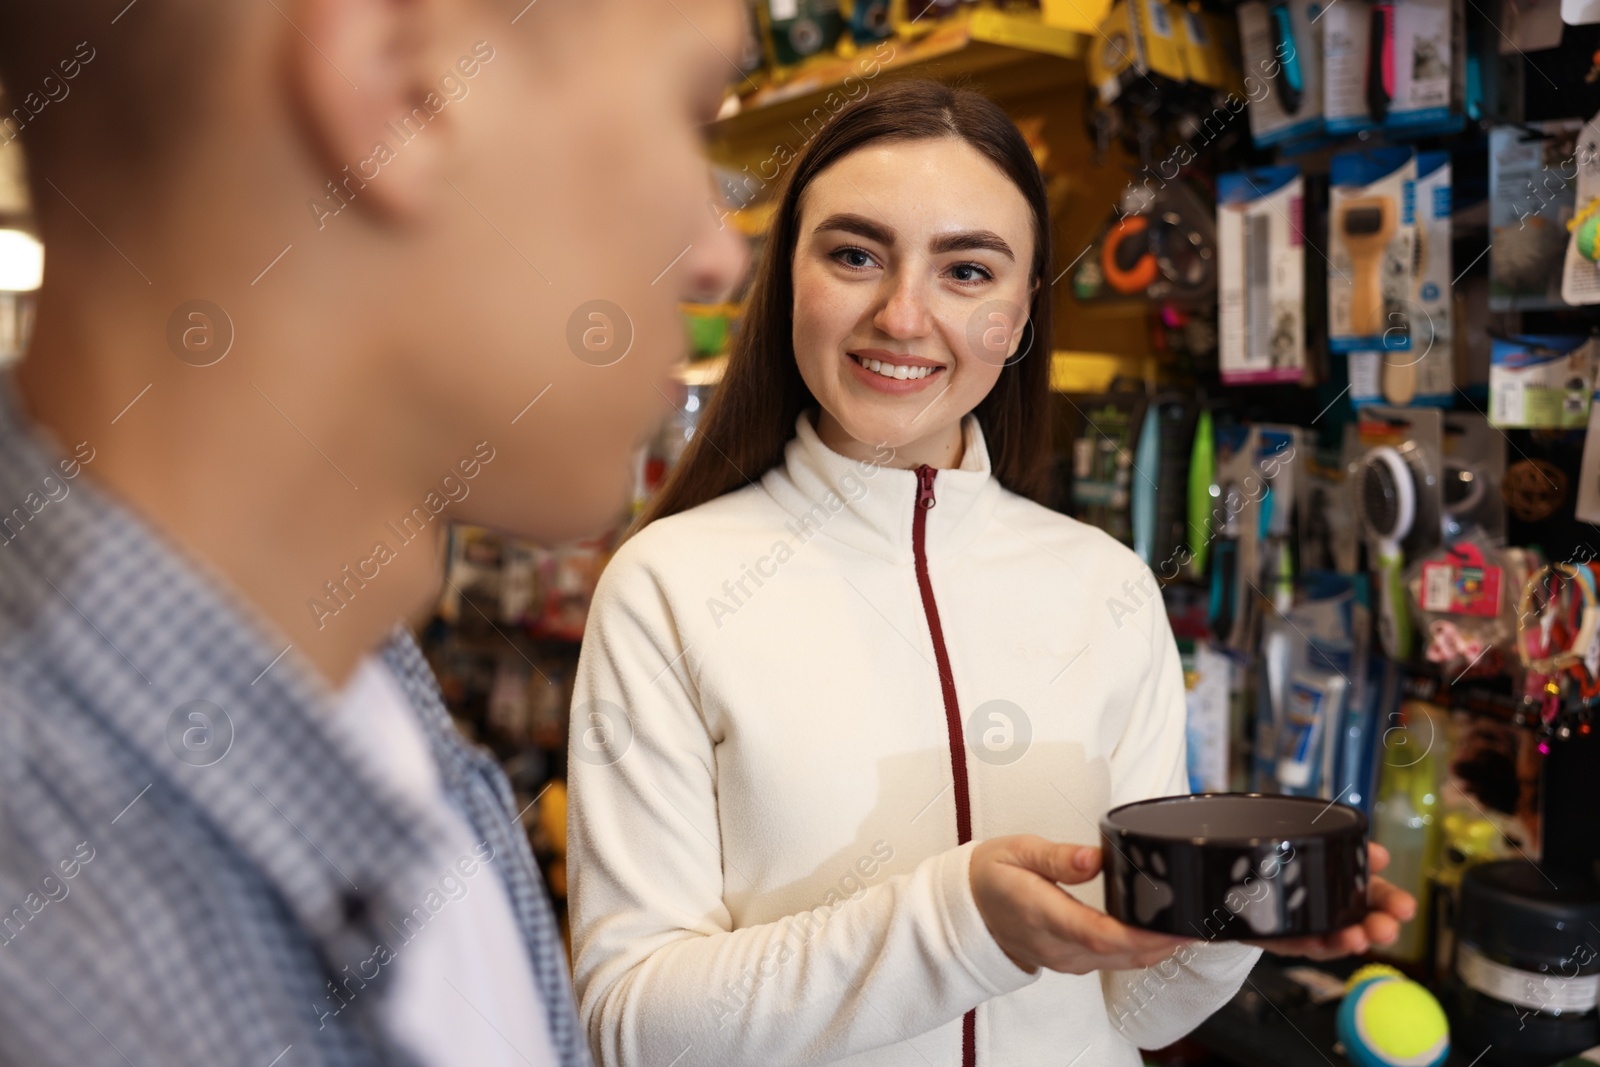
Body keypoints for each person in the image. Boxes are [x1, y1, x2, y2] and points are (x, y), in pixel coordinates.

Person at [565, 78, 1415, 1067]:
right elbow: (633, 1025)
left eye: (967, 271)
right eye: (853, 254)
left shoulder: (1106, 584)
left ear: (1017, 316)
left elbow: (1134, 1009)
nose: (902, 313)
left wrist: (1232, 919)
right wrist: (959, 922)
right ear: (786, 277)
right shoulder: (666, 587)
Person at [0, 0, 748, 1065]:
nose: (719, 257)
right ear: (403, 87)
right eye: (690, 111)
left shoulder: (376, 708)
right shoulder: (54, 977)